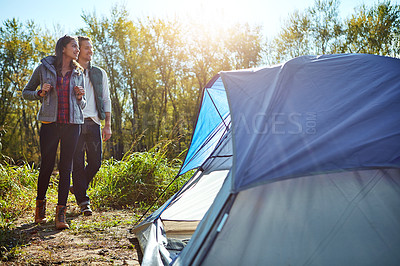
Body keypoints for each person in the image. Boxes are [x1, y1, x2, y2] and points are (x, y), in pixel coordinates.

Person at [22, 35, 86, 230]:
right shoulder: (43, 68)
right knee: (47, 166)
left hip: (72, 125)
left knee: (66, 167)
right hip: (50, 124)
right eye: (74, 46)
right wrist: (40, 93)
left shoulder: (79, 72)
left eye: (78, 46)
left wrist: (79, 97)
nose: (78, 49)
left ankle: (61, 214)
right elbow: (26, 92)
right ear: (63, 48)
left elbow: (82, 105)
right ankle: (40, 208)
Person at [71, 36, 112, 216]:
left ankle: (78, 187)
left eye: (91, 48)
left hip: (94, 122)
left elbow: (105, 98)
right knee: (77, 164)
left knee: (95, 163)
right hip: (75, 123)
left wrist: (107, 124)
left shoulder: (99, 73)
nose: (90, 51)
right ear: (79, 50)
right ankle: (84, 201)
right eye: (86, 48)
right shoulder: (70, 72)